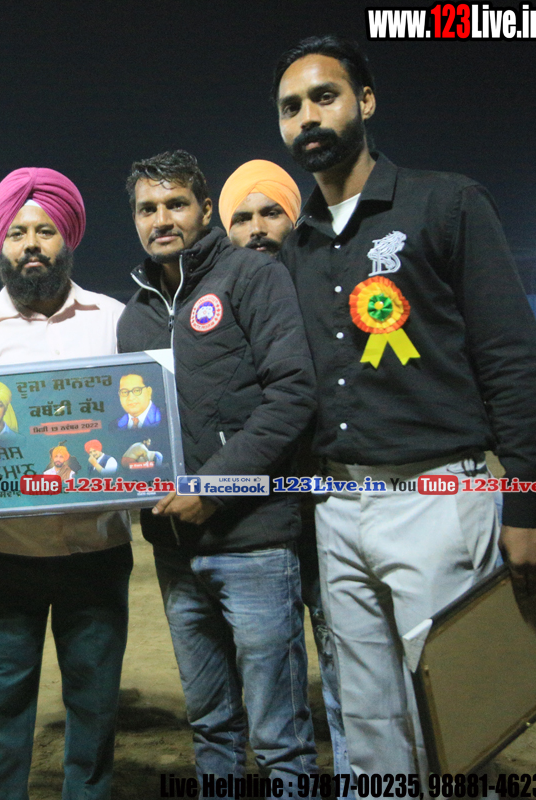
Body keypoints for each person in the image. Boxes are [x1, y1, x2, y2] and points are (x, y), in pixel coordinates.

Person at [272, 34, 536, 779]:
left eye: (325, 97)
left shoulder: (446, 202)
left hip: (438, 498)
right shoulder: (299, 246)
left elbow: (510, 354)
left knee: (459, 723)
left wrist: (528, 500)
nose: (308, 117)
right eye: (291, 107)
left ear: (366, 101)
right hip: (338, 507)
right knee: (370, 728)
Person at [116, 149, 318, 781]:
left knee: (279, 736)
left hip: (255, 541)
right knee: (209, 725)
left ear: (205, 209)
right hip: (175, 551)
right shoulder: (134, 315)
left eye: (176, 204)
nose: (162, 219)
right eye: (147, 209)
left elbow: (292, 394)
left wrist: (214, 487)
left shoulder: (252, 278)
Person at [0, 167, 132, 799]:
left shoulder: (116, 321)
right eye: (17, 233)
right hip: (4, 553)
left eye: (45, 230)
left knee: (95, 707)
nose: (32, 245)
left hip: (97, 550)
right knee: (0, 711)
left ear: (68, 237)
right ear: (1, 244)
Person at [218, 159, 348, 776]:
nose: (257, 229)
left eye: (271, 212)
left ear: (295, 217)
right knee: (270, 681)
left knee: (347, 670)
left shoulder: (326, 289)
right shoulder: (218, 306)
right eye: (242, 218)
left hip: (330, 511)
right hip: (255, 525)